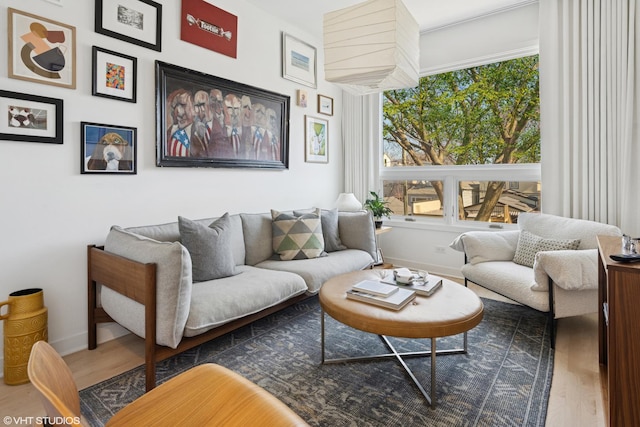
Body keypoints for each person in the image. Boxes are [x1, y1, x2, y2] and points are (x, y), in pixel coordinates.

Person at [166, 89, 207, 157]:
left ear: (194, 108)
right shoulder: (169, 135)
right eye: (175, 106)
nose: (179, 112)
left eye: (183, 105)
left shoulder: (202, 132)